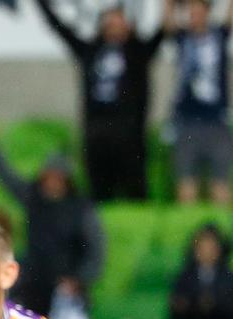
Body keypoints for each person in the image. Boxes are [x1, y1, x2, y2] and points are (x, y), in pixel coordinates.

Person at [33, 0, 167, 200]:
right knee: (99, 193)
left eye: (119, 20)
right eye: (110, 21)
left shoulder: (138, 52)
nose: (114, 25)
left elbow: (164, 30)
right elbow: (59, 28)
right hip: (96, 134)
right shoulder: (90, 51)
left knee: (136, 191)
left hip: (129, 135)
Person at [0, 127, 104, 318]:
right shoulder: (34, 198)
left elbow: (96, 250)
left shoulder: (80, 210)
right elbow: (9, 179)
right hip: (34, 276)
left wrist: (79, 279)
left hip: (66, 281)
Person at [168, 0, 233, 204]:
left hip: (216, 121)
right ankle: (189, 232)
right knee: (186, 184)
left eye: (198, 11)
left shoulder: (219, 35)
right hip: (187, 120)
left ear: (207, 12)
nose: (194, 16)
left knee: (220, 184)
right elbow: (168, 20)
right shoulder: (183, 38)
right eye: (191, 12)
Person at [168, 222, 233, 319]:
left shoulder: (228, 277)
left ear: (220, 250)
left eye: (211, 247)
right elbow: (176, 303)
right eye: (202, 247)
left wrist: (214, 304)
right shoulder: (185, 276)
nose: (207, 252)